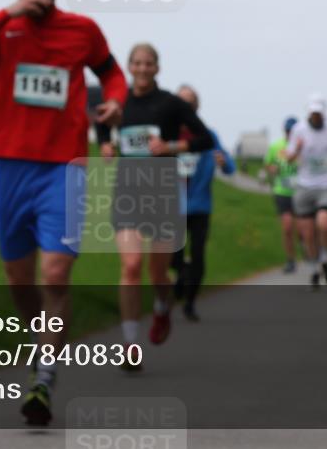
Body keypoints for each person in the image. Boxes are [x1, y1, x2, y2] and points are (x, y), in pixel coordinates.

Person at [0, 0, 127, 426]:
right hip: (10, 168)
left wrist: (115, 101)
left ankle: (44, 376)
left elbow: (112, 73)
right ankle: (39, 344)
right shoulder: (3, 27)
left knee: (56, 273)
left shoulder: (82, 30)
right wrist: (7, 13)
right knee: (18, 279)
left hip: (64, 168)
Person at [98, 44, 214, 368]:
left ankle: (163, 306)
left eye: (148, 63)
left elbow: (205, 139)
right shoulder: (118, 101)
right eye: (137, 63)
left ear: (157, 68)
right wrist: (105, 144)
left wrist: (171, 146)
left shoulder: (171, 103)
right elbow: (101, 122)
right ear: (129, 66)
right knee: (131, 266)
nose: (143, 68)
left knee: (158, 272)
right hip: (127, 192)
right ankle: (130, 344)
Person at [169, 84, 235, 321]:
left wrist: (223, 162)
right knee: (172, 257)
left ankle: (190, 303)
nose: (186, 105)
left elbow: (230, 167)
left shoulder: (208, 135)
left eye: (191, 102)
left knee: (198, 256)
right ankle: (182, 274)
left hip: (199, 205)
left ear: (197, 106)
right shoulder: (169, 133)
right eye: (182, 101)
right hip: (173, 206)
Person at [284, 94, 327, 290]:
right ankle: (314, 269)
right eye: (313, 113)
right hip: (305, 186)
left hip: (326, 185)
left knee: (324, 224)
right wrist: (297, 150)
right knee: (308, 234)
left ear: (324, 113)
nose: (316, 116)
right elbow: (288, 158)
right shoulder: (298, 129)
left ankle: (326, 256)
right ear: (309, 113)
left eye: (319, 113)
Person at [264, 117, 300, 273]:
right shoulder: (276, 146)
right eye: (287, 131)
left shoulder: (302, 145)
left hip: (301, 192)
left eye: (292, 131)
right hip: (282, 191)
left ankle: (306, 245)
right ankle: (290, 260)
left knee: (302, 228)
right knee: (287, 227)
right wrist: (272, 169)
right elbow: (268, 163)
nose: (289, 134)